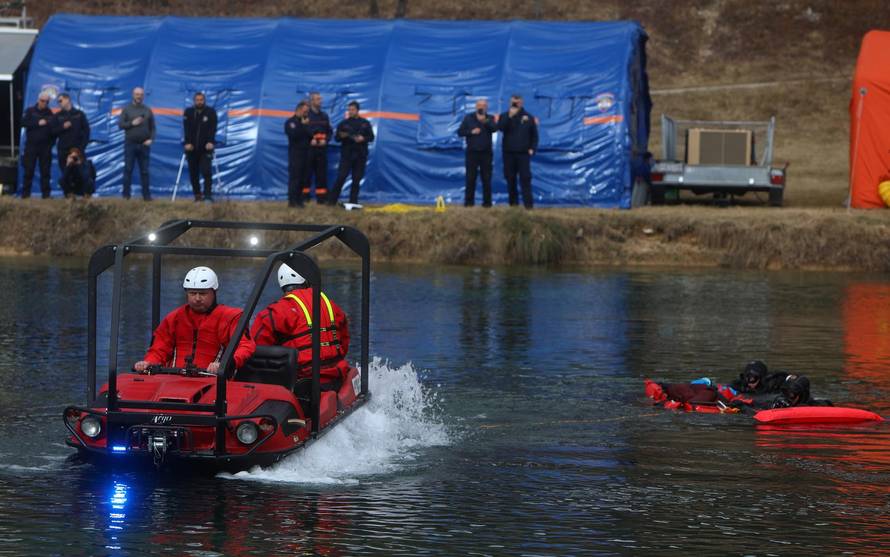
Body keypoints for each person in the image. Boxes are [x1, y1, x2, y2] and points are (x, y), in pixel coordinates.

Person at [133, 266, 255, 373]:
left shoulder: (232, 317)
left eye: (202, 294)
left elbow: (245, 346)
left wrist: (227, 364)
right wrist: (148, 362)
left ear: (214, 292)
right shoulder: (174, 318)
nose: (197, 298)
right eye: (192, 293)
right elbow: (159, 349)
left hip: (214, 379)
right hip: (174, 379)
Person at [250, 263, 350, 389]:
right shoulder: (330, 304)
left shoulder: (275, 312)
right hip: (337, 375)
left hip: (305, 381)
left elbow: (254, 350)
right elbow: (344, 341)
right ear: (305, 279)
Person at [329, 101, 374, 205]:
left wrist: (363, 138)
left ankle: (353, 202)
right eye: (349, 109)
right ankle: (331, 201)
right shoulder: (343, 124)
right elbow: (337, 138)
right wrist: (342, 136)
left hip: (360, 155)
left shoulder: (365, 123)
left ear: (357, 110)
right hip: (347, 155)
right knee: (341, 177)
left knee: (356, 179)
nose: (350, 111)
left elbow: (371, 137)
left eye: (352, 109)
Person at [497, 94, 538, 209]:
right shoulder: (504, 116)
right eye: (513, 102)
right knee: (510, 178)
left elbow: (534, 135)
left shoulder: (528, 117)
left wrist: (532, 149)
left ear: (521, 103)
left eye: (517, 102)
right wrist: (510, 116)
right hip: (509, 153)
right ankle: (513, 205)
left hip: (523, 154)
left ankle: (528, 206)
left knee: (525, 178)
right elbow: (500, 128)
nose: (515, 104)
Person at [457, 98, 497, 207]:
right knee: (470, 178)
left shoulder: (490, 118)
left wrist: (485, 121)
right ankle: (469, 203)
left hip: (486, 153)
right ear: (476, 106)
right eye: (480, 105)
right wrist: (471, 132)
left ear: (487, 107)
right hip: (472, 153)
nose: (482, 107)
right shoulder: (468, 118)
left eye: (484, 105)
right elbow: (460, 132)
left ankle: (487, 204)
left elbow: (494, 129)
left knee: (486, 179)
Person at [118, 87, 156, 200]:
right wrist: (132, 123)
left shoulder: (147, 110)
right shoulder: (127, 109)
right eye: (137, 94)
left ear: (143, 96)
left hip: (144, 145)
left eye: (141, 94)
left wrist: (151, 139)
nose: (139, 96)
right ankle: (126, 196)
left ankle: (147, 196)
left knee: (144, 171)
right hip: (130, 144)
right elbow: (120, 125)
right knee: (128, 169)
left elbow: (153, 128)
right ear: (133, 95)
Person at [182, 92, 218, 202]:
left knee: (206, 171)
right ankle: (197, 196)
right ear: (194, 101)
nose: (199, 102)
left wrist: (211, 142)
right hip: (192, 149)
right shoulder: (188, 112)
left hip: (205, 148)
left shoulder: (211, 112)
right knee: (193, 173)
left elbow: (213, 128)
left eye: (201, 99)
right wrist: (187, 143)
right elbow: (186, 129)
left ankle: (207, 196)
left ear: (204, 100)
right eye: (197, 100)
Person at [20, 92, 54, 199]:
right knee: (29, 169)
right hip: (32, 146)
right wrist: (37, 123)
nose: (44, 103)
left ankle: (46, 195)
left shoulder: (50, 113)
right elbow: (23, 122)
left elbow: (53, 130)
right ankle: (25, 194)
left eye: (47, 102)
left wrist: (50, 143)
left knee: (45, 171)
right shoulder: (30, 111)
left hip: (45, 147)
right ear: (38, 100)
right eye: (43, 101)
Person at [52, 92, 90, 176]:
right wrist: (62, 127)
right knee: (65, 175)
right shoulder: (57, 116)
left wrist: (81, 147)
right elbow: (52, 131)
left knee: (79, 174)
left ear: (67, 100)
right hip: (63, 149)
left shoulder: (79, 114)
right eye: (58, 101)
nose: (59, 103)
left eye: (61, 101)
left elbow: (86, 131)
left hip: (77, 149)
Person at [304, 92, 332, 203]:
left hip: (321, 149)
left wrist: (326, 140)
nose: (320, 101)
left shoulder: (324, 116)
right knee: (306, 173)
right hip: (309, 149)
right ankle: (305, 197)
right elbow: (302, 130)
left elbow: (329, 131)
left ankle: (321, 198)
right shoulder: (306, 116)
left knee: (321, 174)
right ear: (311, 101)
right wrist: (310, 140)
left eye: (320, 99)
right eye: (317, 99)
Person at [284, 101, 312, 208]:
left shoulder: (306, 122)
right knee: (295, 178)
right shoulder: (290, 122)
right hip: (295, 154)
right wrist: (302, 126)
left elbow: (310, 135)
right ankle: (292, 201)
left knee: (303, 178)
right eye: (305, 111)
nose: (306, 113)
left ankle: (299, 200)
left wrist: (305, 126)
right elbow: (293, 135)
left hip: (306, 153)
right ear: (298, 110)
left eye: (307, 112)